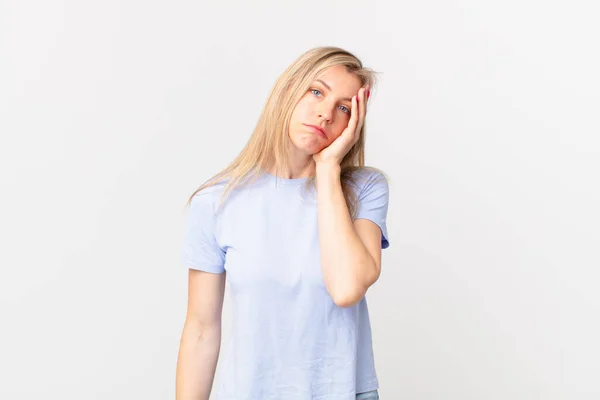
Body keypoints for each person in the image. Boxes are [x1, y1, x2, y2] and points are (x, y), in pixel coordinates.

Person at [176, 46, 390, 400]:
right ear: (288, 92)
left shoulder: (364, 190)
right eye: (316, 92)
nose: (325, 114)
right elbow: (200, 329)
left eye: (343, 108)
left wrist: (327, 170)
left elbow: (347, 287)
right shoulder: (217, 200)